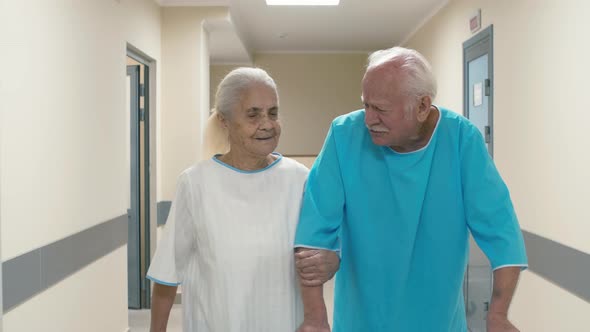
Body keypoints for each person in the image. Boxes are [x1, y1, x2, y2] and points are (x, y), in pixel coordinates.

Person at [294, 47, 528, 332]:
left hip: (439, 322)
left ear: (421, 106)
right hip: (360, 322)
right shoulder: (344, 135)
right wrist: (315, 318)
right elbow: (314, 234)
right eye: (365, 105)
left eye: (380, 109)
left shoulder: (461, 140)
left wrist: (499, 315)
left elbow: (500, 229)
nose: (368, 119)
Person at [146, 67, 339, 332]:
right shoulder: (196, 183)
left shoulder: (300, 179)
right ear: (224, 120)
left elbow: (323, 254)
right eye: (253, 114)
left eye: (273, 113)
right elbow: (167, 276)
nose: (267, 124)